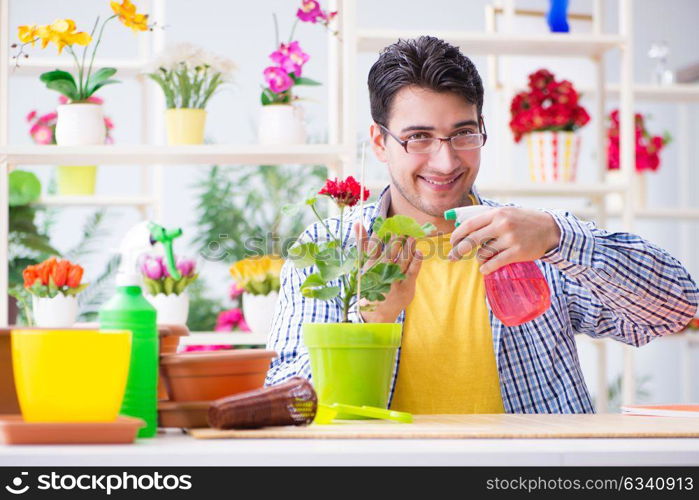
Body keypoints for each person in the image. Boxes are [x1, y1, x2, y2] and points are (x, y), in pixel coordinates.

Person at [265, 36, 698, 414]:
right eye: (418, 137)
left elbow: (675, 309)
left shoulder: (534, 237)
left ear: (482, 130)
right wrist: (370, 322)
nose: (446, 160)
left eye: (463, 134)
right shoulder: (331, 247)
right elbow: (288, 400)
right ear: (380, 143)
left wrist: (558, 236)